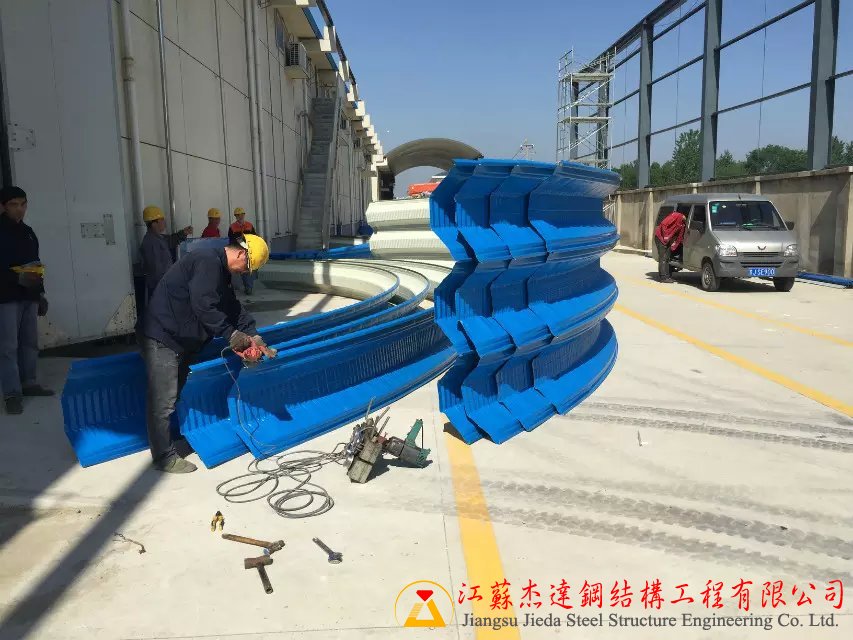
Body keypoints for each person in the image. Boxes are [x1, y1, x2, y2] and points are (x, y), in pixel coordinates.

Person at [139, 233, 276, 473]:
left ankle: (169, 440)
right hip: (162, 336)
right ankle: (163, 457)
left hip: (180, 340)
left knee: (174, 393)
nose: (245, 273)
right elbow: (204, 306)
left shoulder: (220, 271)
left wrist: (253, 335)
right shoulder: (207, 261)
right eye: (247, 267)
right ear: (241, 253)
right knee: (163, 400)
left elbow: (232, 308)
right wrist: (232, 335)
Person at [0, 186, 54, 415]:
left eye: (23, 204)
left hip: (29, 296)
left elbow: (35, 265)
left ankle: (29, 382)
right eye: (14, 205)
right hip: (6, 298)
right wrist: (17, 277)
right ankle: (12, 393)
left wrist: (40, 294)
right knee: (8, 347)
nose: (19, 209)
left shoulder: (28, 232)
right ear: (3, 206)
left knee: (29, 342)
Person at [140, 205, 193, 300]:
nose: (164, 223)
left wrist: (183, 233)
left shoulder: (158, 238)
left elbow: (170, 240)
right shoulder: (151, 243)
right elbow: (157, 271)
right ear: (154, 224)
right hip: (161, 289)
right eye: (162, 220)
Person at [228, 208, 257, 295]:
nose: (240, 216)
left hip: (249, 250)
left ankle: (248, 287)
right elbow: (232, 240)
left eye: (241, 214)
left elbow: (254, 238)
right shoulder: (232, 227)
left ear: (244, 215)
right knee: (243, 270)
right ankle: (247, 287)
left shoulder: (249, 225)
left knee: (248, 270)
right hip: (239, 251)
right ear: (235, 216)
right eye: (238, 215)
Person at [654, 209, 687, 283]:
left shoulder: (683, 224)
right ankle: (663, 277)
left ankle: (667, 276)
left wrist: (674, 245)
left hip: (668, 240)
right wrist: (666, 237)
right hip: (660, 237)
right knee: (663, 258)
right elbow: (663, 224)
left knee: (667, 258)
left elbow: (679, 237)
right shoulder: (675, 216)